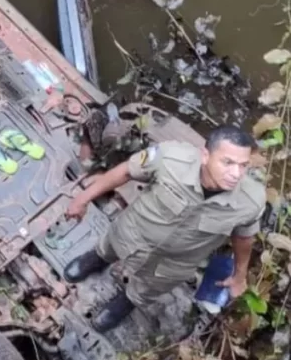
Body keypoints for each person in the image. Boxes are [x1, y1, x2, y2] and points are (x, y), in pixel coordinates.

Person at [64, 125, 265, 333]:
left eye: (243, 165)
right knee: (108, 246)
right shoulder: (170, 158)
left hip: (172, 265)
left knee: (146, 290)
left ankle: (128, 301)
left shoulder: (250, 201)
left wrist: (240, 275)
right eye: (228, 162)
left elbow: (244, 237)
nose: (236, 174)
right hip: (130, 232)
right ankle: (97, 259)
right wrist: (83, 199)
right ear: (205, 155)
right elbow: (126, 171)